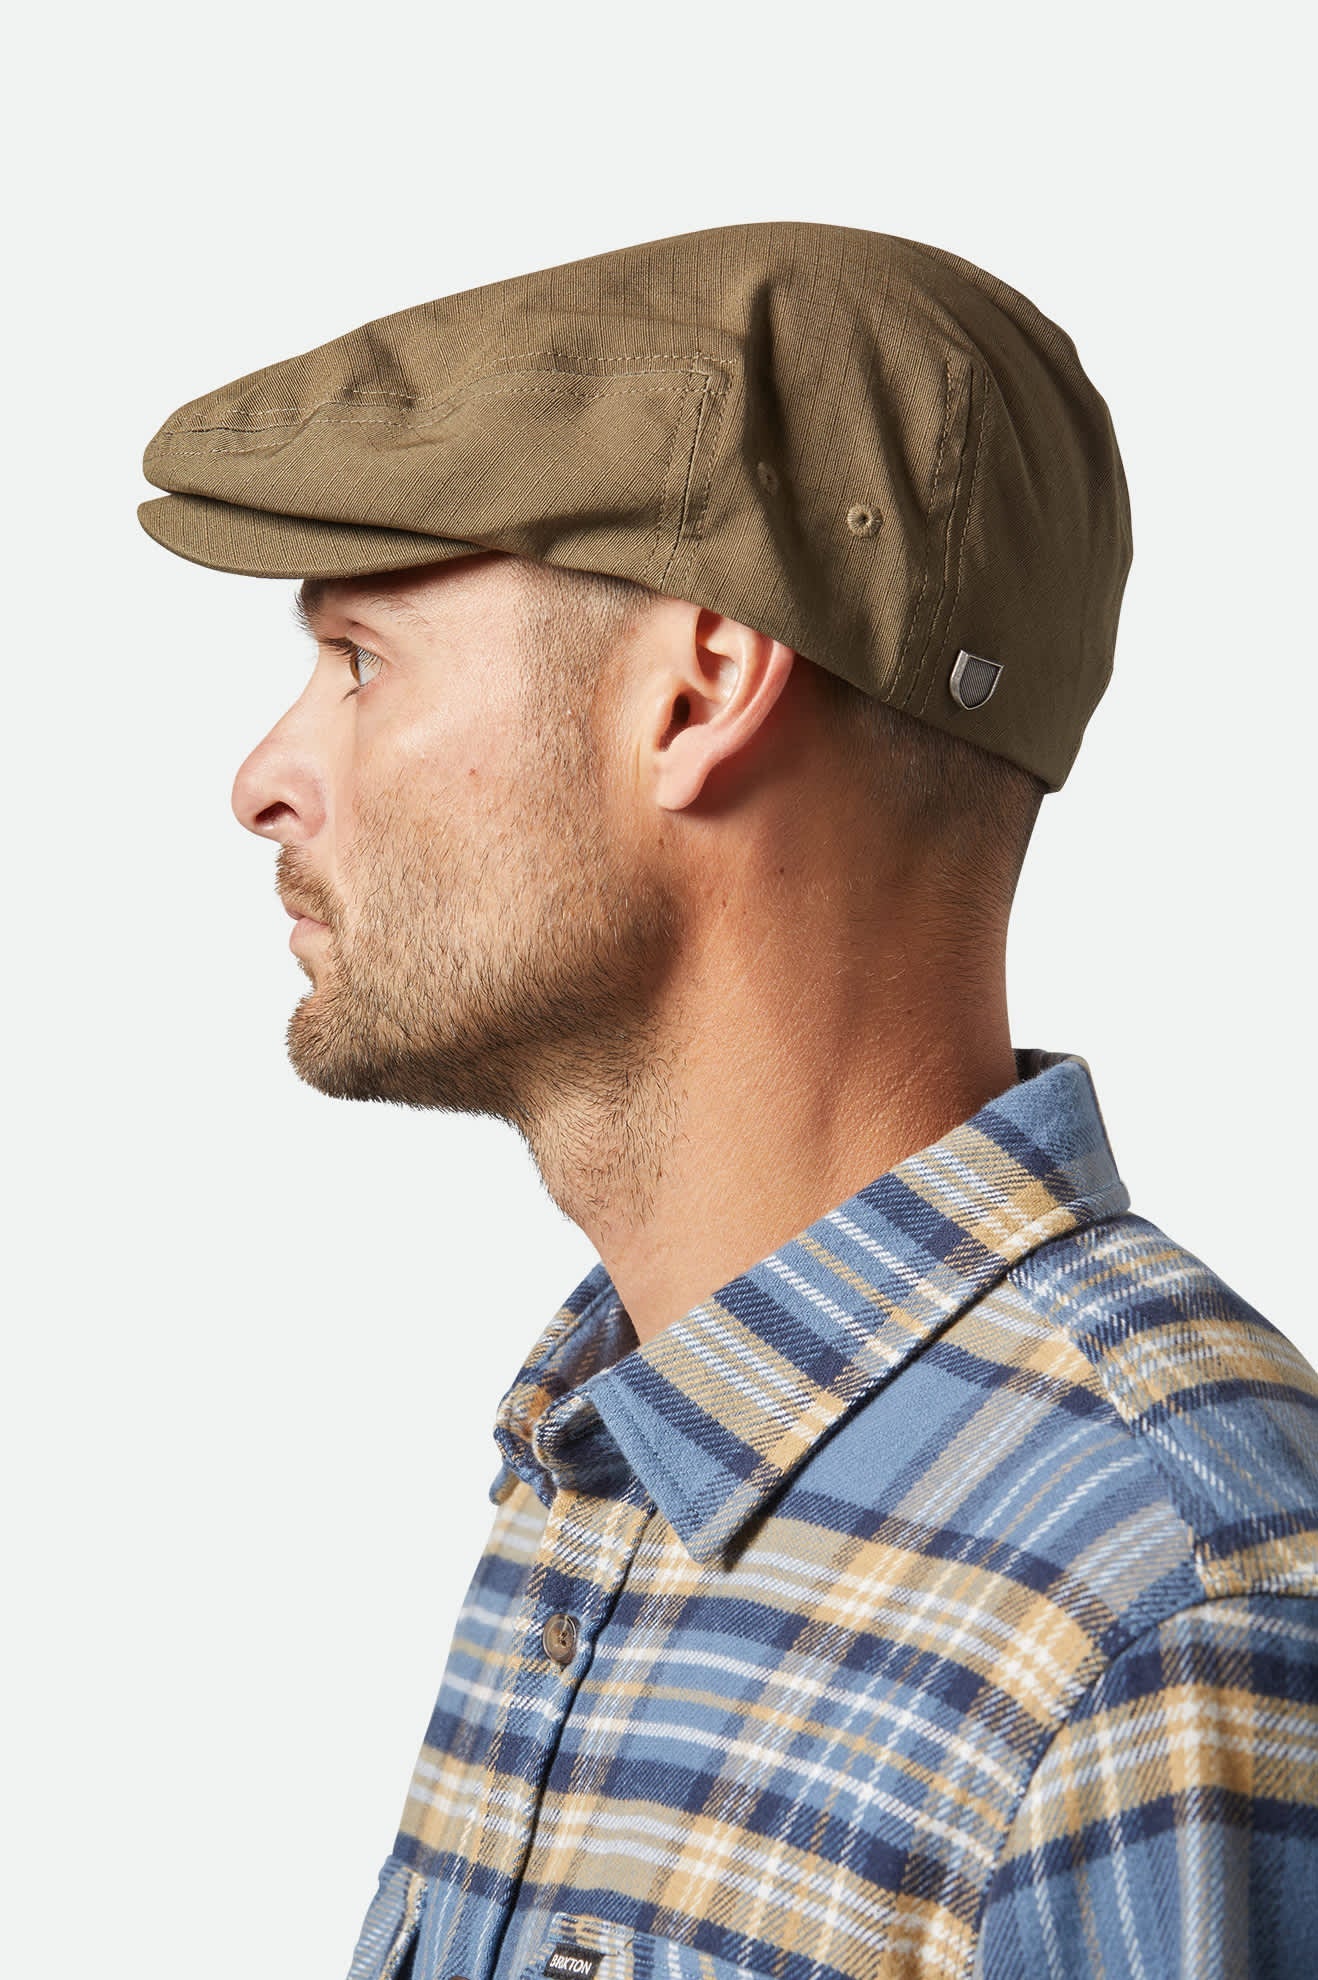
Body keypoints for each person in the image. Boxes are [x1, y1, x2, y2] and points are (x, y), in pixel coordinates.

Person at [138, 221, 1318, 1980]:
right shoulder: (609, 1444)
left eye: (362, 660)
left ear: (698, 693)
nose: (264, 778)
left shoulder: (1158, 1611)